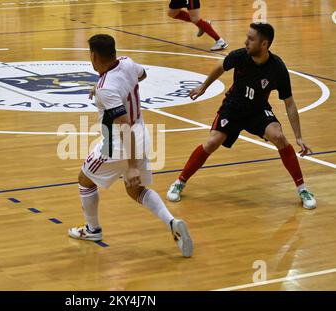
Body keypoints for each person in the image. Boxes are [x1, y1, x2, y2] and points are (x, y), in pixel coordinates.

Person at [166, 23, 317, 210]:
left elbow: (290, 103)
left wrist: (299, 137)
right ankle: (180, 181)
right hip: (233, 108)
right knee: (213, 142)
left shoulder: (277, 68)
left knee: (278, 136)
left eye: (251, 39)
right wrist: (203, 87)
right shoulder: (239, 56)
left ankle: (302, 189)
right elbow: (219, 67)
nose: (246, 41)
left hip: (257, 110)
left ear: (264, 44)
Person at [68, 34, 193, 257]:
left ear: (94, 56)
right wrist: (102, 90)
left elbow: (123, 126)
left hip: (117, 145)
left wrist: (133, 166)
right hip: (141, 137)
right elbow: (141, 75)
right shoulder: (127, 63)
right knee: (135, 190)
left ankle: (92, 229)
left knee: (84, 179)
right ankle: (172, 223)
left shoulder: (106, 86)